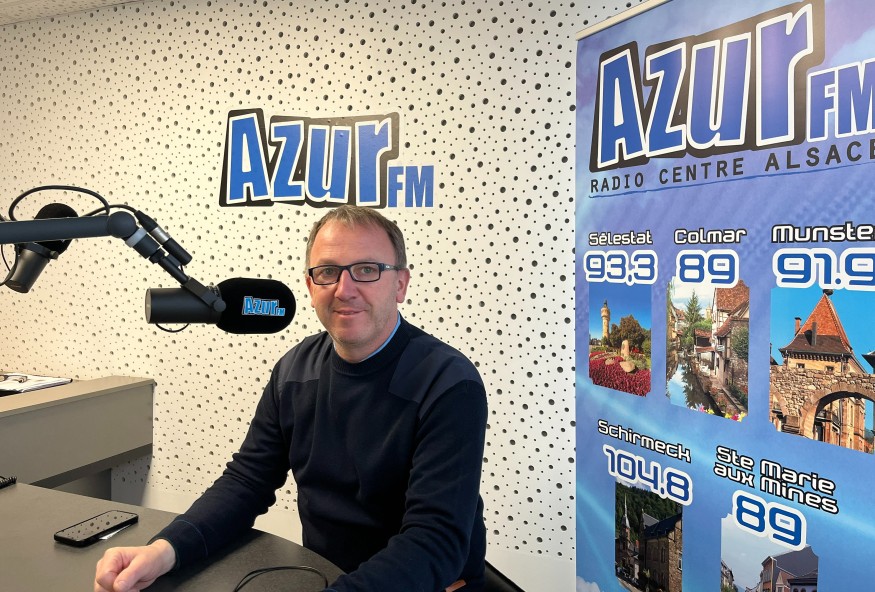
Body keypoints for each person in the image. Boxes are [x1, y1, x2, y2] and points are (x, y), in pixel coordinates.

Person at [94, 205, 488, 592]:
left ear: (400, 284)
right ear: (310, 287)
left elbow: (435, 540)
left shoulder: (449, 383)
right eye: (328, 272)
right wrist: (166, 550)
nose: (344, 289)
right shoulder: (295, 370)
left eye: (367, 270)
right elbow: (247, 481)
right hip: (326, 574)